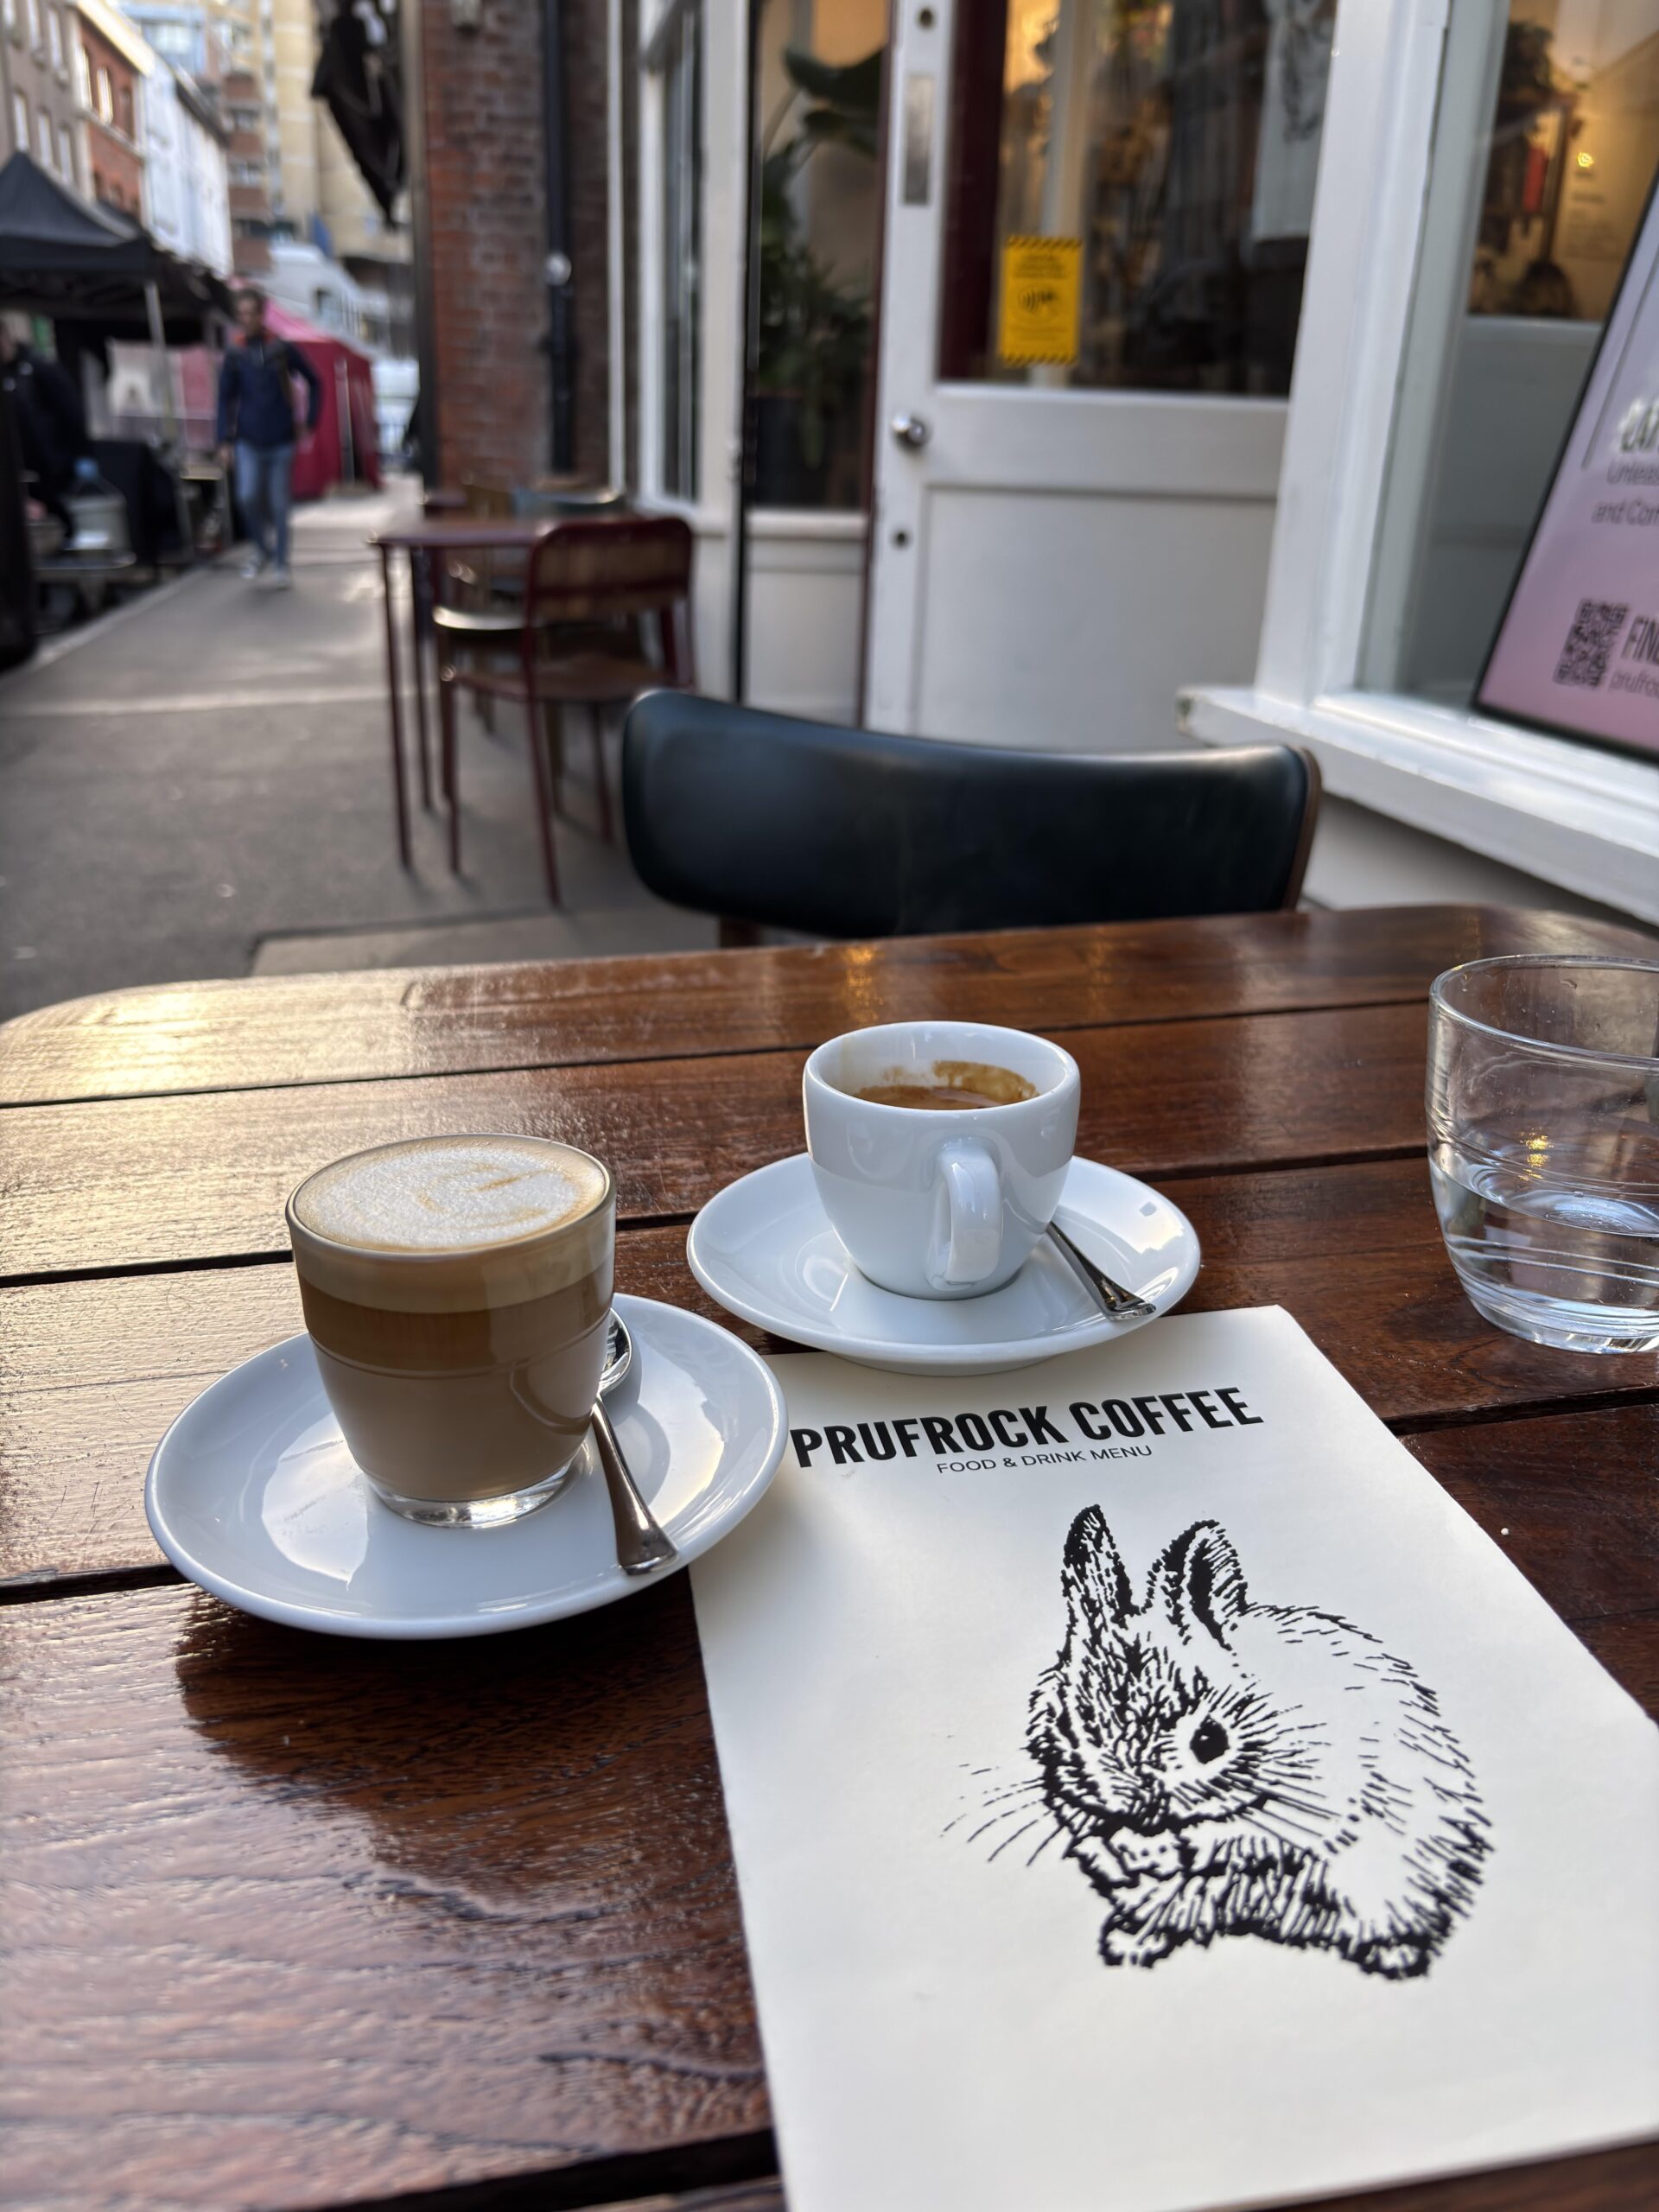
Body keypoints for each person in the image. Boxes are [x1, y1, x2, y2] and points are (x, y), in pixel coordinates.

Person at [215, 287, 321, 589]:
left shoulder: (281, 349)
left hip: (281, 440)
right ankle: (262, 549)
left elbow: (315, 381)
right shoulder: (235, 354)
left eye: (251, 313)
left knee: (279, 504)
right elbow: (224, 399)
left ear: (261, 314)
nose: (245, 319)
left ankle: (281, 564)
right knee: (246, 496)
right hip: (248, 440)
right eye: (241, 314)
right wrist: (223, 440)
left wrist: (309, 421)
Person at [0, 321, 91, 532]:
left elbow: (70, 412)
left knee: (65, 519)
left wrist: (83, 453)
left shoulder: (39, 367)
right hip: (25, 471)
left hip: (56, 465)